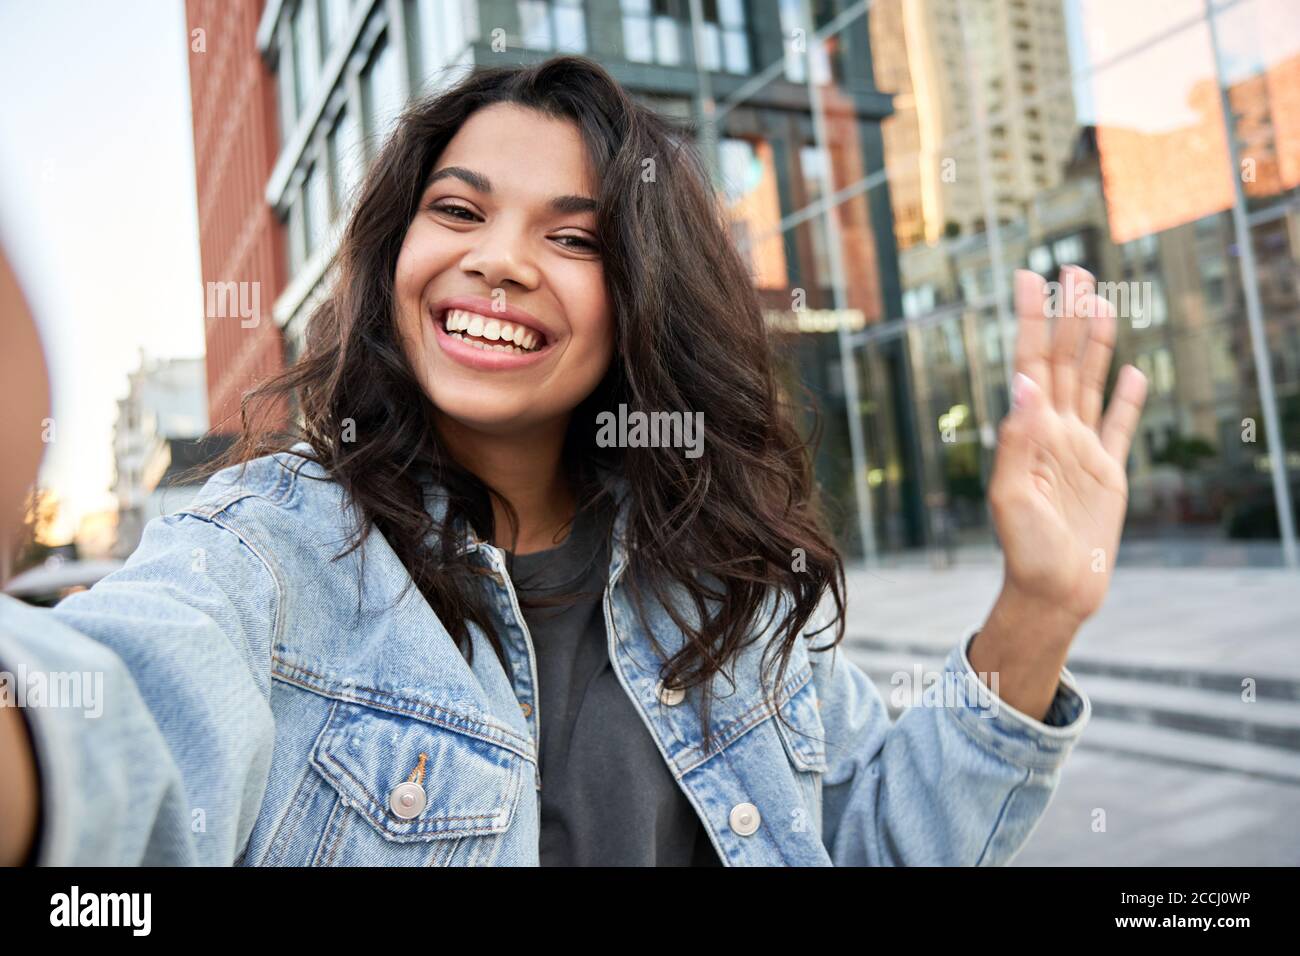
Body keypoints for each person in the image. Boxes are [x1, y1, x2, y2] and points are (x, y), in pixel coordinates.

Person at [0, 55, 1148, 867]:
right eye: (458, 209)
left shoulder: (721, 588)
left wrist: (1037, 604)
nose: (497, 261)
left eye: (571, 235)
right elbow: (120, 719)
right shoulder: (265, 548)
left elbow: (870, 840)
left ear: (642, 299)